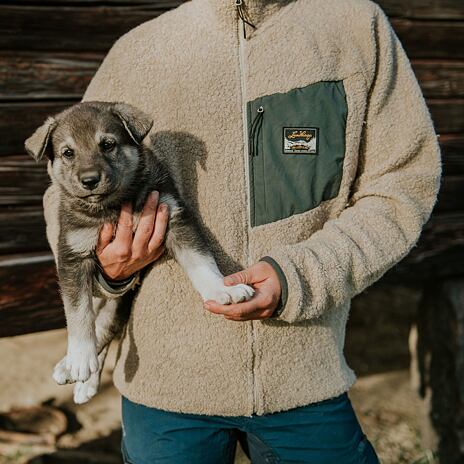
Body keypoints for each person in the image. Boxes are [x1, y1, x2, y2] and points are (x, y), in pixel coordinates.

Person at [44, 0, 442, 462]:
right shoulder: (137, 50)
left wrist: (301, 275)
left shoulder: (354, 26)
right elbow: (65, 193)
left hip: (303, 375)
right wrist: (109, 267)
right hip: (166, 389)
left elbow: (402, 184)